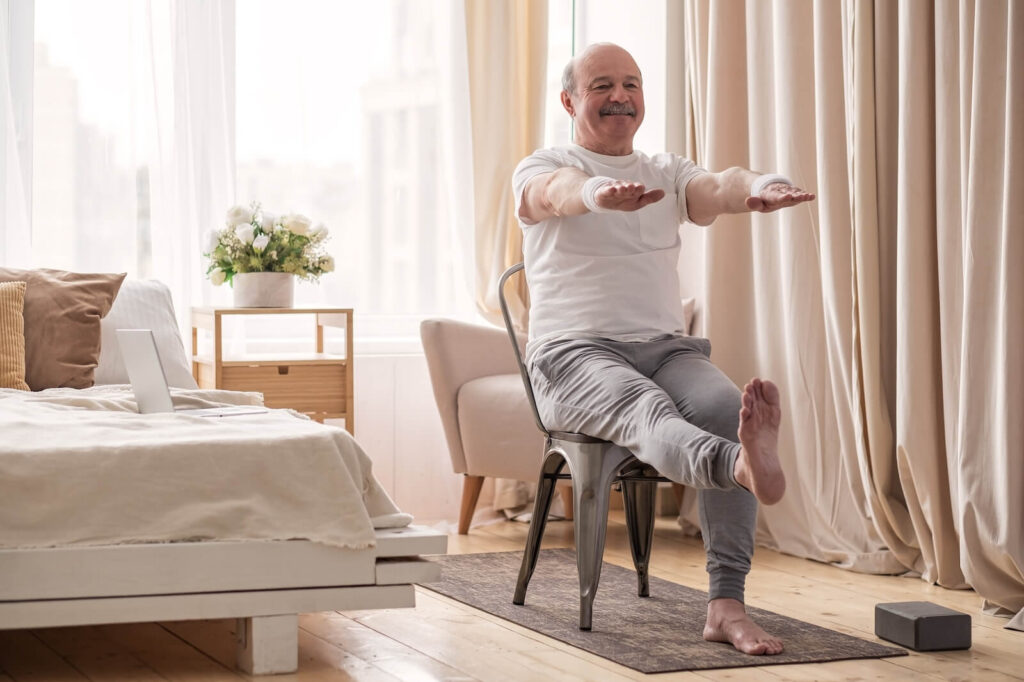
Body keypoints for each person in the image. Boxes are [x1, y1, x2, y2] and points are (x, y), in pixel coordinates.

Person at [512, 42, 815, 656]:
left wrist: (762, 186)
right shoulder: (544, 163)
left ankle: (725, 607)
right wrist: (598, 193)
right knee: (644, 410)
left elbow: (717, 186)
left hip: (666, 349)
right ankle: (738, 466)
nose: (620, 96)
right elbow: (555, 192)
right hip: (572, 355)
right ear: (569, 101)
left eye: (631, 83)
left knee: (727, 408)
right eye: (601, 86)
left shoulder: (664, 170)